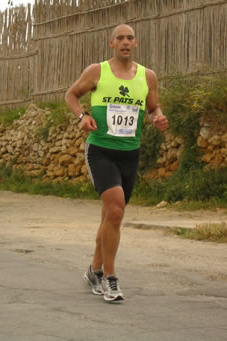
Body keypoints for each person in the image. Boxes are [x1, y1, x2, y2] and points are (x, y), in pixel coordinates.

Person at [65, 24, 168, 302]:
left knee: (111, 216)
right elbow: (71, 95)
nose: (125, 42)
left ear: (135, 44)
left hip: (130, 153)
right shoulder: (97, 71)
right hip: (101, 150)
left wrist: (157, 117)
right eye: (120, 38)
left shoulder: (148, 76)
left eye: (130, 38)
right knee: (115, 209)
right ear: (112, 43)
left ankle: (93, 270)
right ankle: (110, 279)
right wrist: (81, 117)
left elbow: (153, 107)